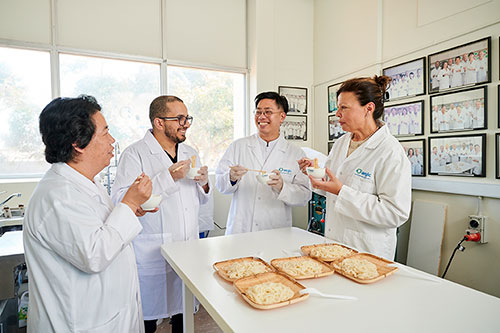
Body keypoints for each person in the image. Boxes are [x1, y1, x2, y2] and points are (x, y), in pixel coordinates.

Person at [24, 95, 152, 332]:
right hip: (79, 323)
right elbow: (93, 254)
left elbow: (101, 230)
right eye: (105, 133)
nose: (112, 141)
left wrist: (130, 208)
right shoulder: (58, 196)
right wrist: (128, 204)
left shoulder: (87, 184)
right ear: (78, 143)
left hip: (108, 314)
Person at [111, 96, 210, 333]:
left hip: (187, 247)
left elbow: (200, 197)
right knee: (146, 319)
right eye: (179, 118)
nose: (185, 123)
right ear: (159, 122)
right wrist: (169, 176)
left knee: (183, 315)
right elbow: (121, 199)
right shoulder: (135, 154)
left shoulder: (189, 151)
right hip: (152, 251)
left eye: (187, 118)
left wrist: (204, 183)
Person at [298, 76, 411, 260]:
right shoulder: (342, 143)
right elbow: (330, 186)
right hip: (334, 243)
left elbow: (395, 213)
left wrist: (342, 192)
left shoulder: (390, 152)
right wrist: (316, 175)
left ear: (368, 108)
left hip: (367, 251)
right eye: (338, 107)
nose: (337, 114)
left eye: (344, 108)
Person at [215, 91, 311, 234]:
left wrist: (282, 187)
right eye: (258, 112)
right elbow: (220, 185)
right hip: (242, 229)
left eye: (268, 112)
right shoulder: (238, 146)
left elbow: (304, 197)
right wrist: (231, 178)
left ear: (282, 116)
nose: (261, 117)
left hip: (275, 230)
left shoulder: (295, 153)